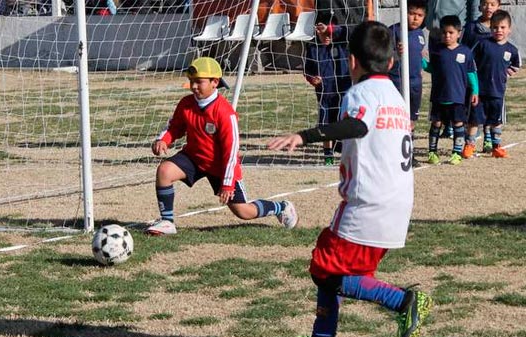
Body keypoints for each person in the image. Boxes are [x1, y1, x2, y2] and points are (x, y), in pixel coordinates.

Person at [267, 21, 432, 337]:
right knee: (343, 273)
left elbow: (357, 127)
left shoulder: (361, 93)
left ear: (351, 61)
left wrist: (306, 136)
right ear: (392, 62)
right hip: (397, 203)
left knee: (324, 269)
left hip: (367, 203)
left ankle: (403, 300)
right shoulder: (396, 98)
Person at [147, 57, 298, 235]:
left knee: (244, 212)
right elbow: (175, 127)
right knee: (165, 171)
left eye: (199, 82)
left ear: (214, 82)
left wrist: (227, 184)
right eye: (191, 82)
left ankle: (281, 207)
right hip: (194, 158)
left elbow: (231, 153)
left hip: (222, 167)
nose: (194, 86)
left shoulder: (225, 113)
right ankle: (167, 222)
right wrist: (163, 140)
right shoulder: (186, 104)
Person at [424, 15, 479, 165]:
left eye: (450, 32)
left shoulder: (465, 52)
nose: (447, 36)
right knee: (436, 123)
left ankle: (456, 153)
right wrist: (421, 61)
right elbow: (431, 68)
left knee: (458, 124)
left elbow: (471, 73)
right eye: (444, 32)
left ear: (459, 33)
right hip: (438, 96)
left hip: (457, 97)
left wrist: (475, 91)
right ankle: (432, 152)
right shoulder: (436, 51)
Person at [470, 9, 521, 158]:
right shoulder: (482, 44)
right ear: (490, 28)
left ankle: (496, 147)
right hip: (480, 91)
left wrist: (505, 74)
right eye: (495, 27)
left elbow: (516, 65)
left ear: (509, 30)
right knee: (475, 120)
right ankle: (469, 145)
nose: (499, 30)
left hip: (497, 92)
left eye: (503, 27)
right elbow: (470, 60)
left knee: (495, 121)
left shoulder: (511, 50)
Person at [304, 19, 351, 165]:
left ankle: (347, 153)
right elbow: (307, 70)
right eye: (322, 34)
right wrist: (313, 79)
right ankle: (328, 156)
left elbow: (346, 31)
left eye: (329, 33)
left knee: (344, 124)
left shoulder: (342, 44)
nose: (326, 37)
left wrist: (332, 29)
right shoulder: (313, 48)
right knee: (325, 125)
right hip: (324, 93)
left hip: (344, 90)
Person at [389, 0, 427, 167]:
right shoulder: (394, 31)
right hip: (397, 81)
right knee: (398, 119)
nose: (415, 18)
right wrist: (396, 52)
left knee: (411, 120)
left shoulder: (420, 33)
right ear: (404, 12)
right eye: (412, 14)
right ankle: (395, 153)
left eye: (419, 15)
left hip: (415, 83)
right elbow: (385, 55)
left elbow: (420, 55)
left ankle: (409, 153)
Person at [460, 0, 501, 157]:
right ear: (479, 6)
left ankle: (489, 141)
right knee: (476, 110)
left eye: (492, 4)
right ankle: (469, 143)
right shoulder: (471, 27)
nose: (488, 7)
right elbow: (464, 48)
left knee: (493, 110)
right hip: (476, 78)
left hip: (494, 79)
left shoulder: (500, 27)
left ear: (499, 6)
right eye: (485, 3)